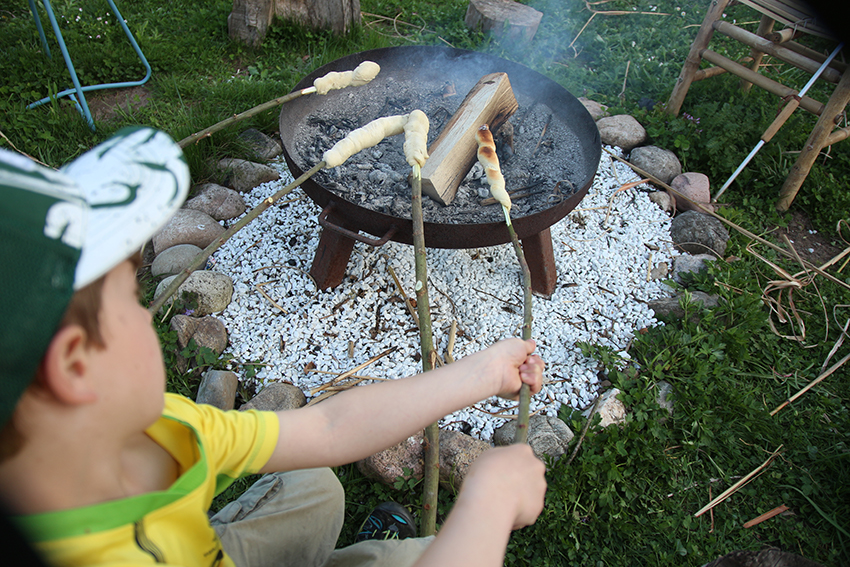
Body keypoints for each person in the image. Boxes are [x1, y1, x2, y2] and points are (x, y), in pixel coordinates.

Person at [0, 127, 547, 567]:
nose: (148, 314)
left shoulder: (152, 431)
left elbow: (328, 429)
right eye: (131, 299)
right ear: (76, 363)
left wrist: (479, 374)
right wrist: (489, 505)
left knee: (315, 486)